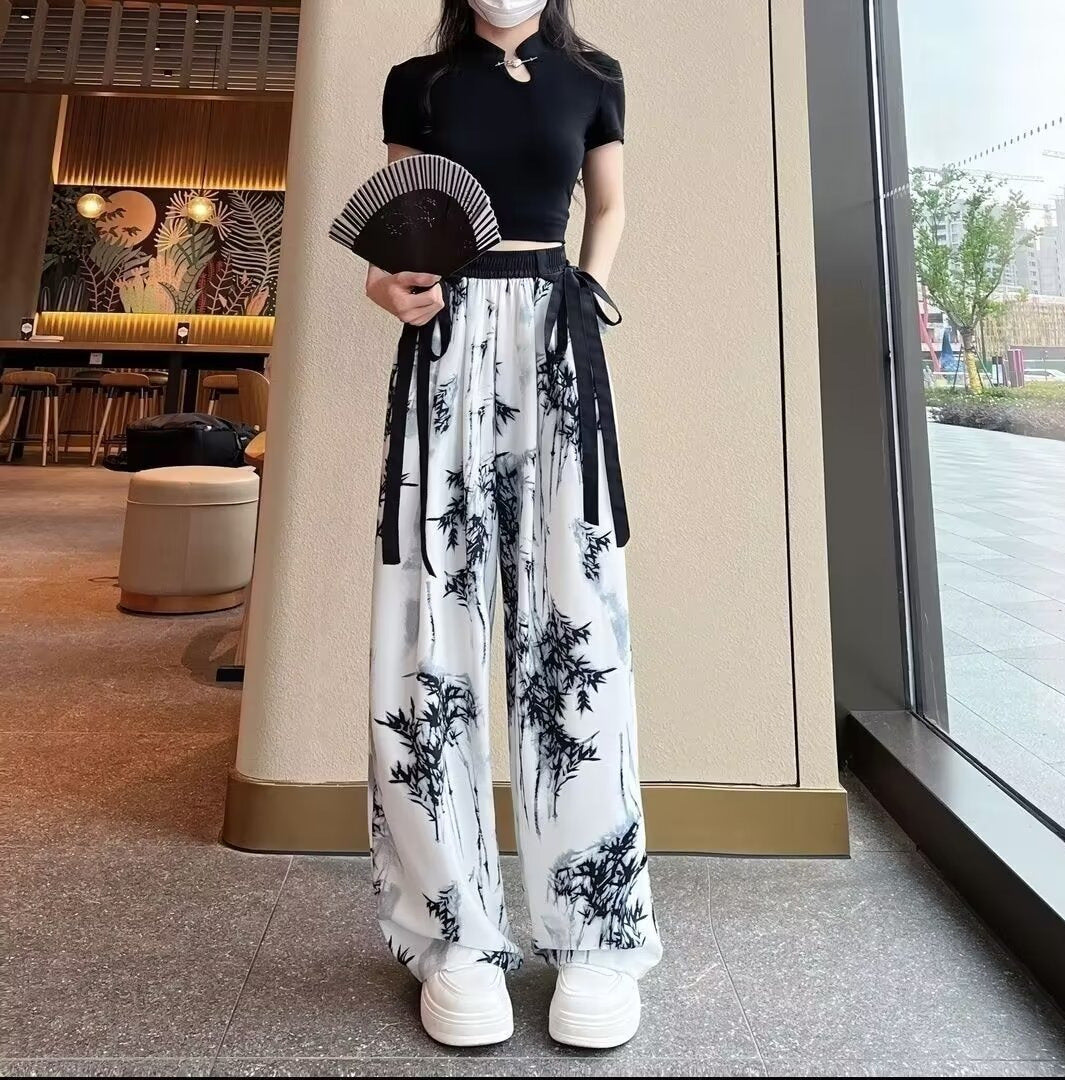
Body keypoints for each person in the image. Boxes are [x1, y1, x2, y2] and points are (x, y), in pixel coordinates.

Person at [364, 0, 662, 1049]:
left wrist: (588, 291)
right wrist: (386, 286)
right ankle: (455, 935)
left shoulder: (594, 76)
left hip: (558, 340)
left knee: (575, 630)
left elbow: (608, 205)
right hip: (445, 347)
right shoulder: (419, 83)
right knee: (429, 631)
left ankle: (597, 933)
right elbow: (398, 234)